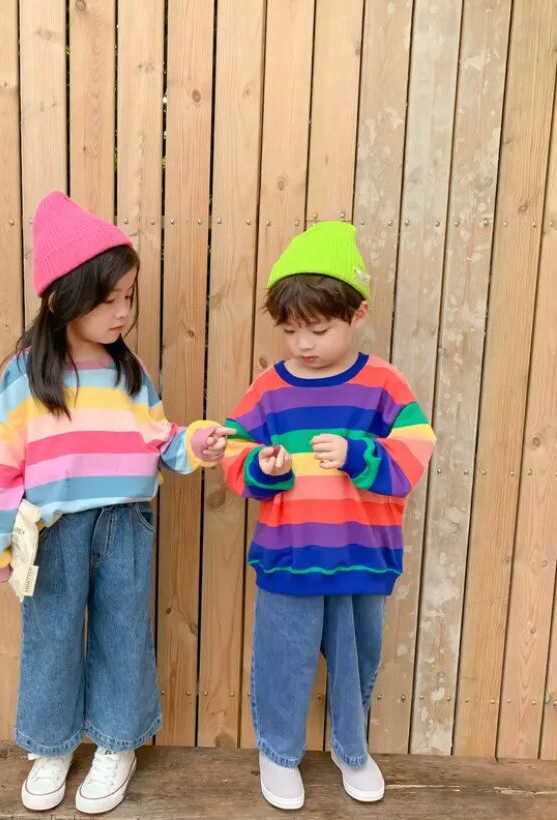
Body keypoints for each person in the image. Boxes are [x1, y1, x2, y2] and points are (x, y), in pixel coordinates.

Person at [0, 190, 232, 814]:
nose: (123, 311)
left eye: (129, 297)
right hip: (52, 530)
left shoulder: (130, 371)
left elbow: (160, 441)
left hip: (126, 527)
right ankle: (52, 747)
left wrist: (195, 444)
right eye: (108, 298)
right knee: (52, 639)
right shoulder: (24, 376)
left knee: (123, 635)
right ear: (62, 298)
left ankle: (117, 743)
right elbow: (1, 466)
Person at [221, 221, 435, 810]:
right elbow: (236, 448)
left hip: (362, 555)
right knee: (283, 658)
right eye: (290, 330)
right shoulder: (270, 387)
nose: (303, 345)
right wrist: (263, 465)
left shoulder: (383, 384)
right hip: (289, 554)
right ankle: (278, 751)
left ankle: (351, 748)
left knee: (355, 660)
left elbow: (416, 448)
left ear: (357, 313)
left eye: (318, 330)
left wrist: (359, 454)